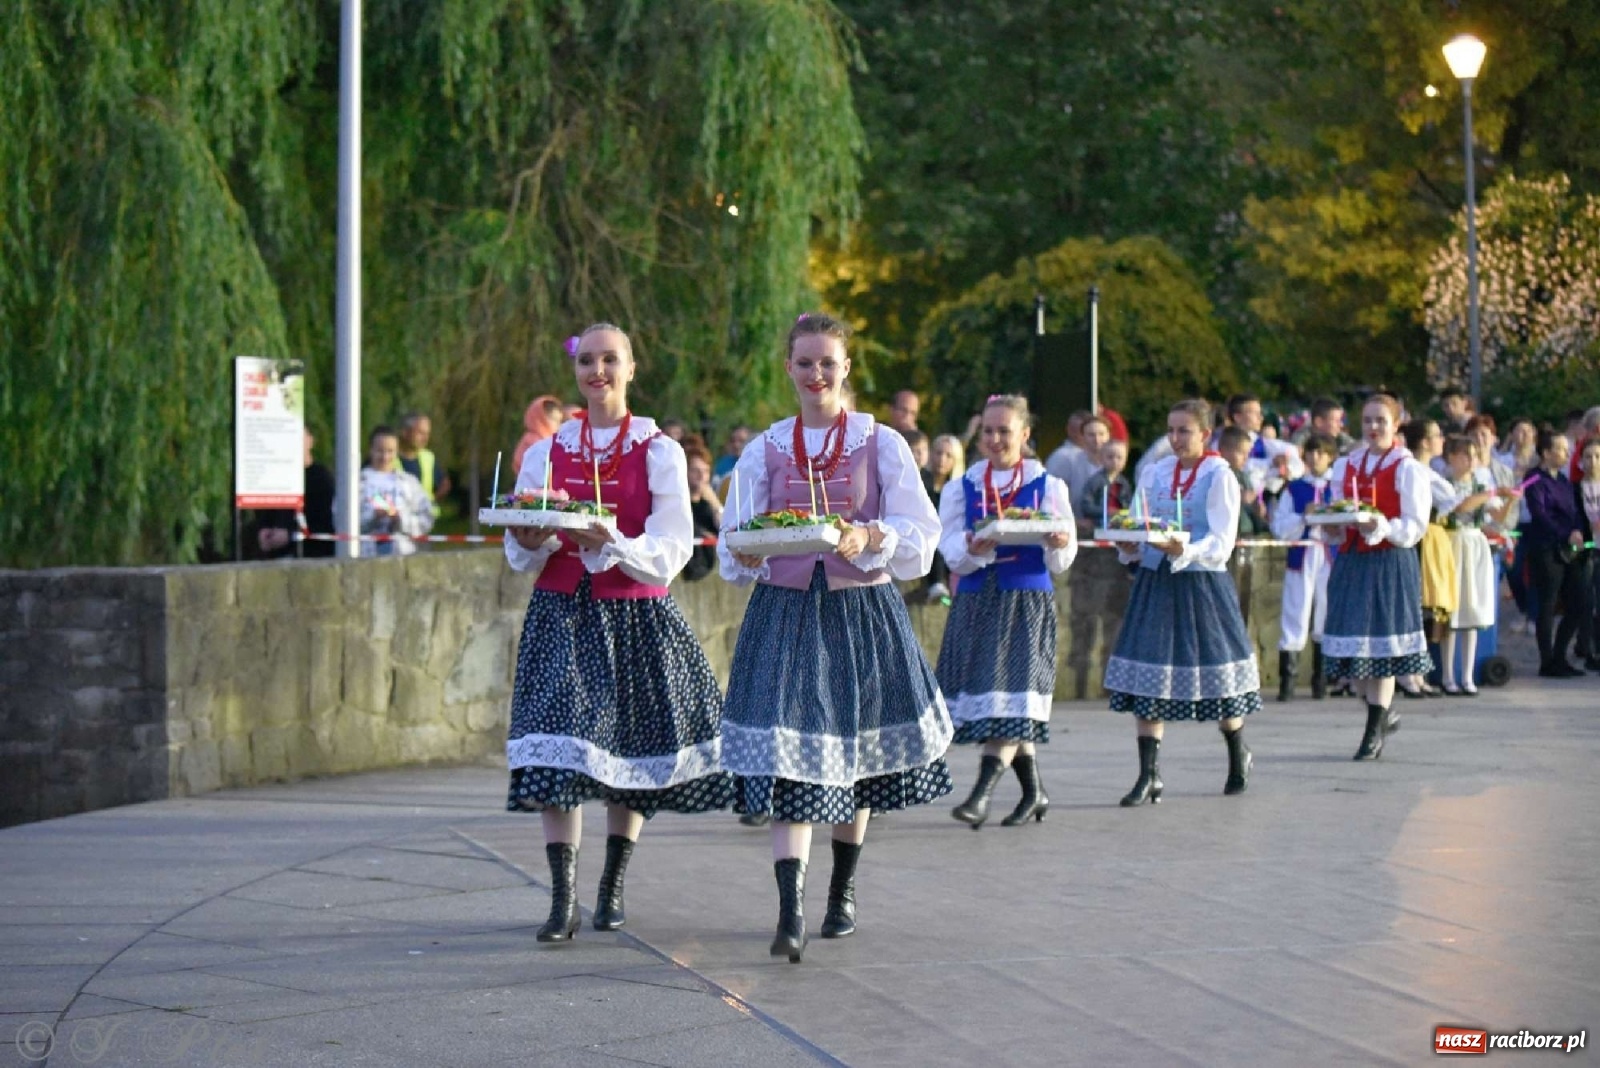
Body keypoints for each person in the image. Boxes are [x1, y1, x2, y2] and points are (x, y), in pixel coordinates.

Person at [718, 313, 952, 963]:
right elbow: (735, 540)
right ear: (788, 369)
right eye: (805, 363)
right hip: (786, 611)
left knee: (854, 754)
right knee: (790, 756)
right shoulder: (765, 448)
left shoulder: (880, 443)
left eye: (828, 362)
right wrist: (752, 549)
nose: (817, 374)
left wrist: (869, 535)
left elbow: (919, 531)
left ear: (846, 368)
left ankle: (841, 895)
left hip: (859, 609)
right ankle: (789, 911)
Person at [504, 322, 732, 943]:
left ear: (631, 368)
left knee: (625, 752)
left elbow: (674, 546)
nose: (597, 372)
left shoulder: (659, 449)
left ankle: (612, 884)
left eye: (610, 360)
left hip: (632, 611)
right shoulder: (549, 449)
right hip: (560, 610)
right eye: (587, 362)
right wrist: (530, 537)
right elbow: (527, 541)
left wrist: (615, 544)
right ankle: (563, 898)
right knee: (556, 744)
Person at [1104, 398, 1260, 806]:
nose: (1175, 438)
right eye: (1171, 430)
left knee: (1218, 679)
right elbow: (1140, 522)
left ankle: (1236, 750)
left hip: (1202, 585)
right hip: (1156, 581)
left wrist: (1183, 549)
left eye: (1184, 431)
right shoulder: (1155, 472)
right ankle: (1149, 775)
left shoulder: (1220, 475)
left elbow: (1221, 542)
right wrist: (1130, 545)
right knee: (1149, 672)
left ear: (1206, 435)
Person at [937, 395, 1077, 829]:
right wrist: (972, 550)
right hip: (978, 600)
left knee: (1013, 697)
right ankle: (1035, 792)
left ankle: (981, 794)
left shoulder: (1048, 485)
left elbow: (1065, 553)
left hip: (1026, 601)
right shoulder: (963, 486)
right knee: (1001, 701)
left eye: (1004, 431)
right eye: (988, 432)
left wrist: (1057, 542)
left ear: (1024, 435)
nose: (995, 440)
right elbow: (949, 549)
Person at [1321, 396, 1434, 759]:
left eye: (1381, 421)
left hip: (1388, 561)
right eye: (1368, 420)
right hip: (1353, 560)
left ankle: (1373, 732)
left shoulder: (1407, 467)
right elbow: (1339, 511)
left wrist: (1382, 525)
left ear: (1396, 424)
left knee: (1382, 647)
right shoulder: (1347, 464)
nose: (1373, 428)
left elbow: (1415, 526)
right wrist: (1334, 525)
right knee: (1355, 648)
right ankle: (1381, 714)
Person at [1439, 435, 1515, 694]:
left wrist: (1511, 498)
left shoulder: (1480, 484)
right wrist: (1491, 493)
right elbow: (1460, 508)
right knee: (1450, 612)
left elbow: (1497, 517)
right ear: (1452, 458)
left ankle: (1468, 676)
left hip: (1474, 544)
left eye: (1473, 456)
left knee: (1471, 609)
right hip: (1451, 545)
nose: (1471, 461)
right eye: (1465, 455)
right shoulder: (1445, 484)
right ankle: (1448, 675)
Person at [1269, 433, 1338, 701]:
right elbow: (1280, 527)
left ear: (1330, 456)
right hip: (1302, 553)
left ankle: (1320, 681)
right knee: (1294, 611)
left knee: (1326, 611)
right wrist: (1303, 517)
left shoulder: (1338, 486)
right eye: (1311, 452)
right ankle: (1288, 680)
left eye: (1321, 452)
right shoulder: (1295, 488)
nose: (1315, 457)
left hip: (1329, 554)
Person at [1523, 430, 1592, 677]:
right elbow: (1540, 515)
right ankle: (1548, 660)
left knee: (1578, 603)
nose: (1567, 454)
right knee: (1548, 603)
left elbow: (1574, 511)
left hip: (1568, 549)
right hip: (1546, 548)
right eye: (1561, 449)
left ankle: (1560, 654)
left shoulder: (1563, 481)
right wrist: (1566, 532)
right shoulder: (1534, 479)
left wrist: (1576, 530)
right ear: (1546, 453)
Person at [250, 428, 336, 560]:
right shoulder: (276, 476)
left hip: (311, 557)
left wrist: (290, 535)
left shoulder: (321, 478)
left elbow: (325, 523)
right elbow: (265, 512)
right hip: (276, 557)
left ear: (310, 440)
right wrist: (263, 530)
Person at [359, 426, 435, 557]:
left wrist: (400, 520)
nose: (385, 456)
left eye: (390, 451)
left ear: (397, 452)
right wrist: (373, 516)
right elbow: (340, 522)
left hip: (403, 557)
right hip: (364, 557)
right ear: (370, 450)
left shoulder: (409, 483)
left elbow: (427, 519)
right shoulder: (357, 483)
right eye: (379, 451)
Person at [922, 434, 967, 601]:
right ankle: (937, 585)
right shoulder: (920, 479)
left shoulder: (958, 488)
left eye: (948, 456)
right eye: (938, 453)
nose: (942, 459)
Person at [679, 436, 722, 582]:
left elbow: (724, 529)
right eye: (695, 470)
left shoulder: (709, 505)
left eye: (705, 471)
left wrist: (716, 505)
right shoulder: (677, 505)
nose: (701, 475)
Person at [1575, 438, 1600, 670]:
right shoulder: (1576, 488)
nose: (1593, 462)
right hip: (1585, 551)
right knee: (1586, 601)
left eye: (1597, 456)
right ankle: (1587, 648)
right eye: (1588, 457)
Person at [1219, 427, 1269, 536]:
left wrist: (1257, 508)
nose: (1246, 458)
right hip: (1224, 534)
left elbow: (1252, 508)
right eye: (1241, 452)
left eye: (1248, 453)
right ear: (1224, 451)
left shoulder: (1244, 476)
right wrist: (1236, 497)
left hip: (1245, 533)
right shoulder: (1215, 475)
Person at [1077, 438, 1132, 538]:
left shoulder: (1124, 483)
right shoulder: (1095, 481)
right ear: (1101, 459)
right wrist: (1106, 511)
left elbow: (1129, 504)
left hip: (1121, 522)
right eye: (1110, 457)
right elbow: (1086, 505)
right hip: (1099, 521)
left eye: (1119, 457)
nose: (1115, 461)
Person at [397, 411, 452, 502]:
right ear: (405, 432)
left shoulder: (428, 457)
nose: (425, 438)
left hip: (424, 515)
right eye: (420, 433)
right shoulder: (385, 457)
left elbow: (445, 484)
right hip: (396, 515)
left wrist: (431, 501)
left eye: (427, 434)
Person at [513, 395, 568, 475]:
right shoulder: (532, 441)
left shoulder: (551, 442)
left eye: (560, 421)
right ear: (541, 418)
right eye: (554, 420)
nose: (558, 425)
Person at [1291, 397, 1356, 455]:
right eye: (1336, 421)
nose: (1341, 424)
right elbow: (1295, 452)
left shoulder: (1339, 437)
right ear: (1319, 422)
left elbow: (1355, 446)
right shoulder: (1301, 438)